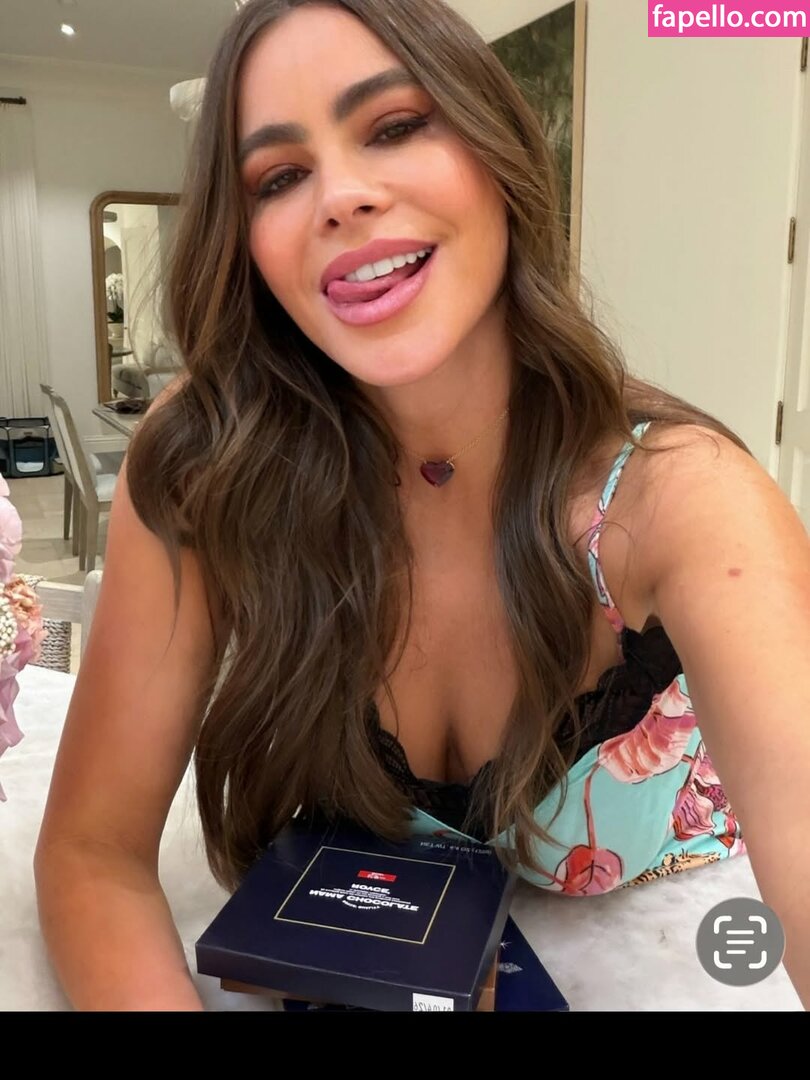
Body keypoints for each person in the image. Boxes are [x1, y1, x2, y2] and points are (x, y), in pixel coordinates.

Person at [34, 0, 810, 1012]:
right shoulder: (208, 463)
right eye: (279, 178)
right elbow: (93, 855)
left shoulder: (683, 497)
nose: (340, 197)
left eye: (396, 125)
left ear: (498, 155)